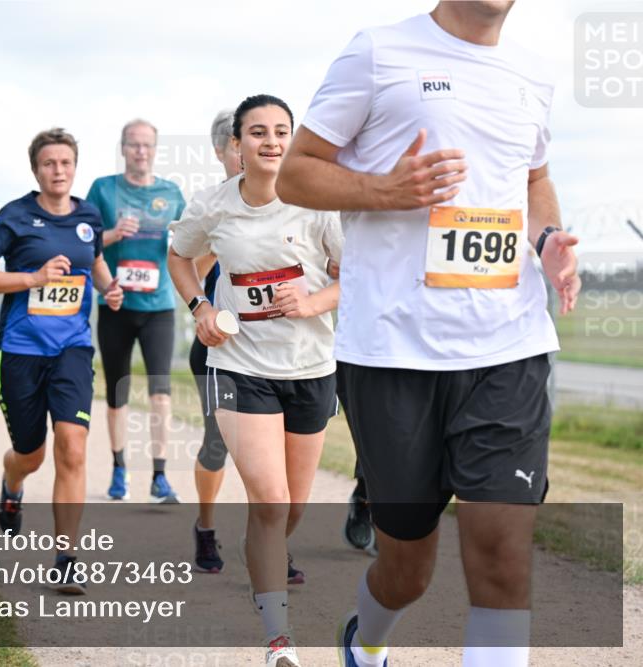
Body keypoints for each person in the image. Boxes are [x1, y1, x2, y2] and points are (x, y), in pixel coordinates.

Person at [276, 3, 581, 666]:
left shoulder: (533, 74)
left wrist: (548, 238)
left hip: (509, 345)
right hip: (392, 352)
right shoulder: (379, 52)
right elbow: (295, 169)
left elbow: (534, 179)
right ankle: (369, 637)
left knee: (502, 555)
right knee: (406, 561)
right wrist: (383, 190)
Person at [168, 94, 343, 667]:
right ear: (236, 144)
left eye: (281, 131)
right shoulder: (213, 206)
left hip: (311, 368)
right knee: (268, 499)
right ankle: (278, 641)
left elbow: (357, 275)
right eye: (258, 132)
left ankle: (264, 549)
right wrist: (199, 307)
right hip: (240, 368)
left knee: (291, 506)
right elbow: (178, 255)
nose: (271, 141)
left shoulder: (318, 204)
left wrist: (312, 299)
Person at [0, 127, 124, 594]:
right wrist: (31, 278)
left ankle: (67, 558)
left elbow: (93, 263)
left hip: (72, 348)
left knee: (72, 446)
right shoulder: (14, 216)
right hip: (20, 349)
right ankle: (12, 484)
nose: (58, 171)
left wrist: (108, 287)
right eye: (49, 164)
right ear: (36, 169)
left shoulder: (90, 216)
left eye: (66, 163)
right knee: (30, 454)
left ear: (75, 167)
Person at [86, 119, 186, 503]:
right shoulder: (103, 189)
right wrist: (112, 234)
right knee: (117, 392)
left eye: (146, 145)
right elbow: (84, 239)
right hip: (115, 304)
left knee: (160, 392)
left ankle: (159, 477)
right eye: (133, 145)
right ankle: (119, 469)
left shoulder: (171, 192)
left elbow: (188, 238)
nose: (140, 151)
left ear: (155, 149)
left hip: (158, 306)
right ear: (123, 148)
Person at [188, 109, 242, 574]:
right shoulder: (211, 208)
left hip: (281, 348)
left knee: (281, 455)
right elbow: (187, 267)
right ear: (221, 152)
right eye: (237, 145)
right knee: (217, 445)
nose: (248, 154)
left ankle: (272, 541)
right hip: (220, 347)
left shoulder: (288, 201)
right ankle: (206, 527)